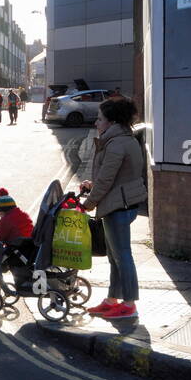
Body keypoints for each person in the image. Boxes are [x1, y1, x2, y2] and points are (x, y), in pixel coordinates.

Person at [79, 95, 147, 320]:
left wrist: (88, 204)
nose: (96, 123)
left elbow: (108, 179)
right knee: (114, 256)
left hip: (118, 205)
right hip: (118, 202)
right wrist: (92, 185)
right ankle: (112, 300)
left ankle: (129, 304)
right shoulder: (120, 140)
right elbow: (114, 177)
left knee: (122, 255)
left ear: (112, 121)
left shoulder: (117, 143)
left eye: (99, 119)